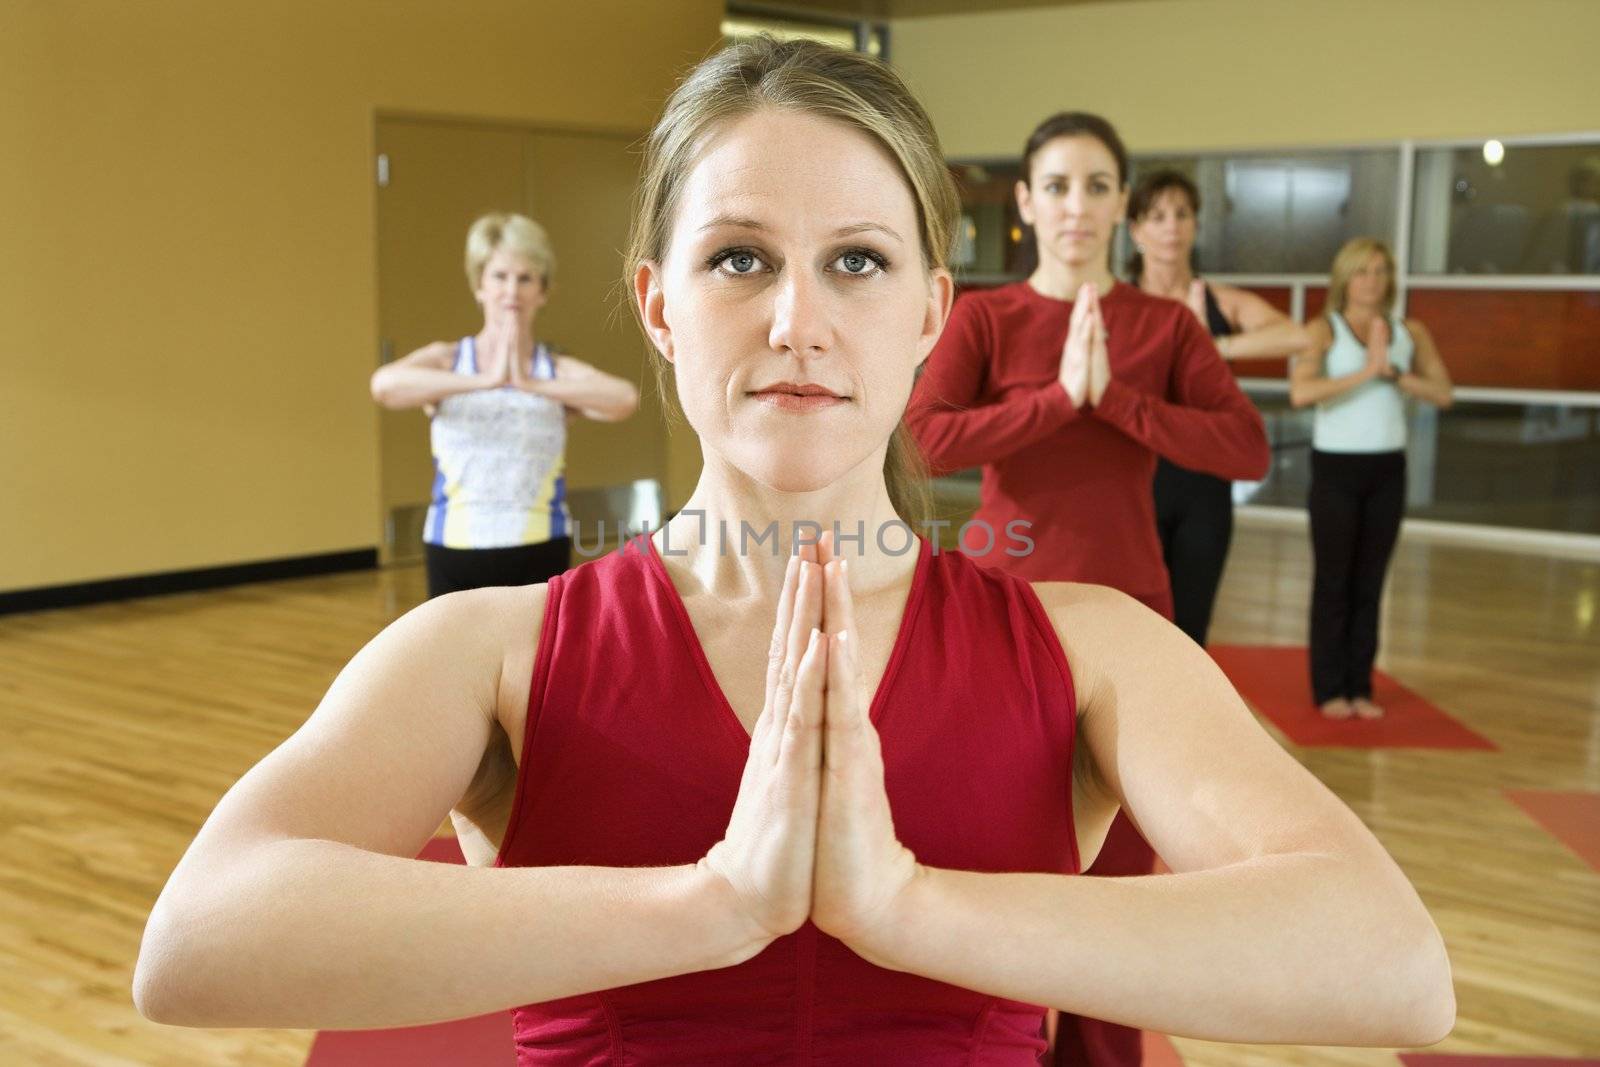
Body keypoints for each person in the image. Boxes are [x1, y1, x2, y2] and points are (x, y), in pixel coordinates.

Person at [134, 39, 1453, 1064]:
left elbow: (1391, 960)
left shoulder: (1091, 649)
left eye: (861, 262)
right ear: (659, 302)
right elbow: (196, 940)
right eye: (740, 256)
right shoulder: (493, 649)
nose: (799, 318)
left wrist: (905, 906)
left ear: (934, 310)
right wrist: (710, 906)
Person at [906, 114, 1275, 1067]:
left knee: (1117, 882)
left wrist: (1115, 401)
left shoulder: (1165, 325)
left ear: (1121, 202)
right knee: (994, 863)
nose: (1078, 206)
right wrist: (1055, 402)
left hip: (1128, 619)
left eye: (1098, 185)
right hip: (1000, 612)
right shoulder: (985, 319)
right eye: (1058, 186)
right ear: (1026, 202)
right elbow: (918, 441)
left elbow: (1245, 446)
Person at [370, 213, 639, 597]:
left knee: (536, 658)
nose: (511, 291)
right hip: (454, 546)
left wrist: (532, 384)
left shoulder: (555, 372)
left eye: (525, 278)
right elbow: (384, 386)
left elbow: (623, 399)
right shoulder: (448, 361)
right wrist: (484, 381)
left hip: (539, 543)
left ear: (543, 291)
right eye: (499, 276)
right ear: (479, 285)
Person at [1126, 168, 1312, 648]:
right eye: (1158, 216)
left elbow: (1296, 335)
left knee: (1191, 626)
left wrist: (1212, 345)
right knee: (1132, 623)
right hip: (1132, 478)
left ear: (1195, 226)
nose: (1171, 226)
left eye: (1182, 214)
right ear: (1135, 231)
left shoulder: (1218, 301)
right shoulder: (1119, 304)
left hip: (1203, 480)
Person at [1290, 237, 1453, 721]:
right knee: (1334, 579)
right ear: (1345, 278)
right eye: (1363, 271)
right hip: (1336, 468)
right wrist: (1366, 371)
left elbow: (1443, 393)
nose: (1372, 280)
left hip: (1387, 469)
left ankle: (1361, 685)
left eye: (1381, 271)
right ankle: (1328, 688)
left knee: (1371, 581)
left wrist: (1395, 375)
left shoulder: (1410, 331)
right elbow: (1303, 392)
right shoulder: (1324, 329)